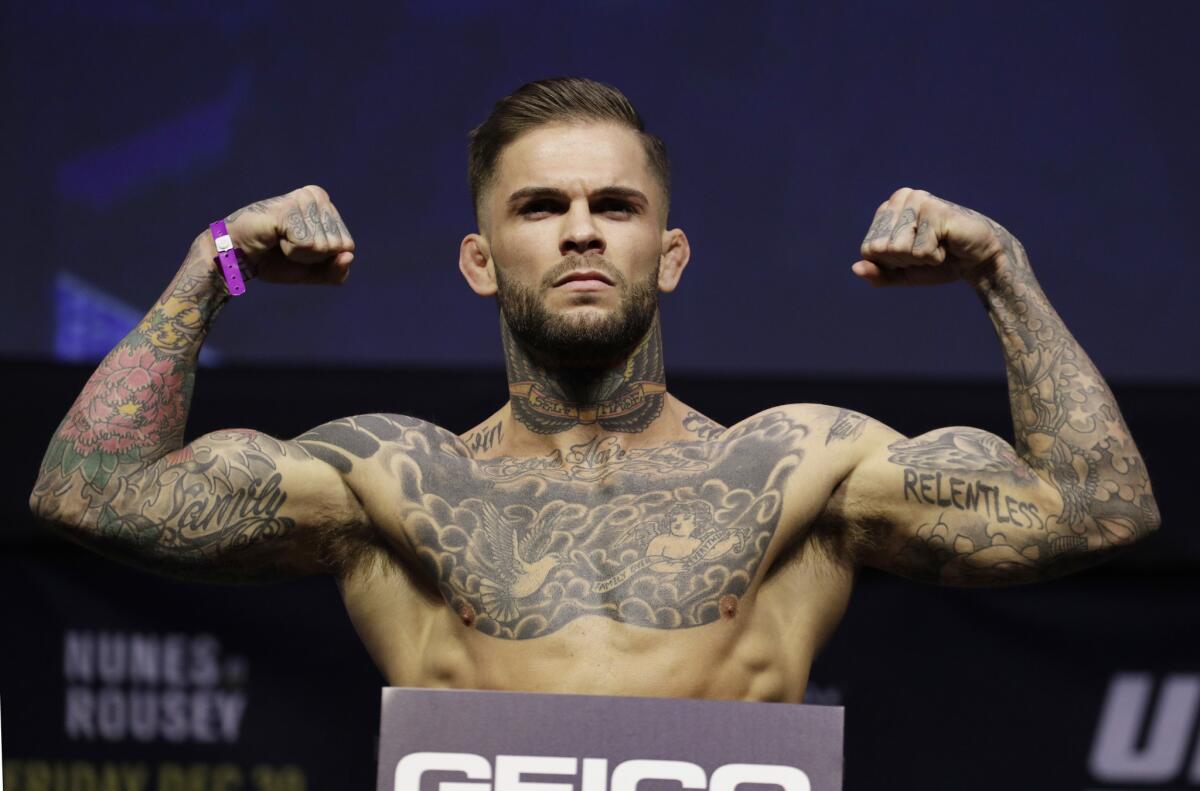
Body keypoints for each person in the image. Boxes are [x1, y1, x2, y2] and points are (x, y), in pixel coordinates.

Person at [30, 78, 1160, 701]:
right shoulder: (391, 476)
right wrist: (214, 260)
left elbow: (1101, 505)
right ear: (481, 262)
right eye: (538, 208)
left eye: (616, 207)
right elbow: (92, 491)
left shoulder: (800, 465)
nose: (580, 229)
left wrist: (1003, 269)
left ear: (668, 256)